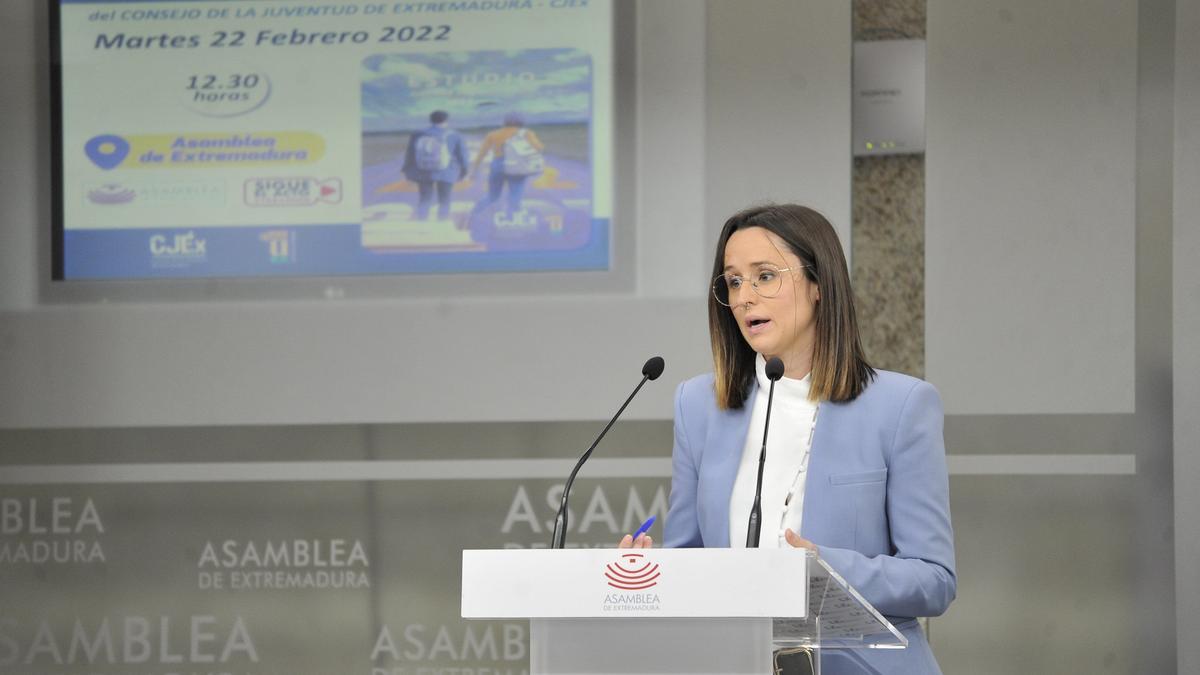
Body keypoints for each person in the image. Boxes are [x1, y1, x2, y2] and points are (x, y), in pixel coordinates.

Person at [620, 204, 956, 675]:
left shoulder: (900, 406)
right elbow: (689, 557)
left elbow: (934, 579)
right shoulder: (698, 406)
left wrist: (825, 568)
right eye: (733, 281)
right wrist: (652, 576)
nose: (745, 298)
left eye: (765, 276)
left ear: (819, 284)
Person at [469, 112, 545, 218]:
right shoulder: (527, 133)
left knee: (493, 195)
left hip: (498, 164)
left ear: (504, 122)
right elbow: (539, 148)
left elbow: (482, 153)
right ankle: (511, 218)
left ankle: (475, 213)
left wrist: (474, 169)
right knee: (515, 194)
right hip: (517, 165)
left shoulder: (493, 134)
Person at [402, 110, 469, 220]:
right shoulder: (454, 134)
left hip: (423, 170)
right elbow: (462, 155)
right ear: (446, 120)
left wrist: (407, 171)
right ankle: (441, 222)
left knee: (424, 198)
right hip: (447, 171)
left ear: (430, 120)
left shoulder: (417, 134)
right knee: (444, 199)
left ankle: (422, 222)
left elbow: (410, 153)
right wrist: (464, 171)